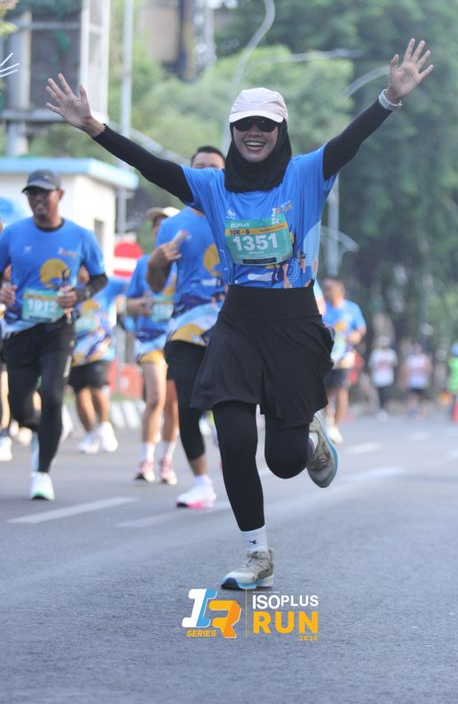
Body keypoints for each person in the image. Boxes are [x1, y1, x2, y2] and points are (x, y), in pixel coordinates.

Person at [46, 37, 433, 587]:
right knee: (233, 437)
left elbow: (351, 141)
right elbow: (152, 167)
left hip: (294, 325)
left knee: (283, 462)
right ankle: (257, 554)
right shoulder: (211, 187)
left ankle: (307, 433)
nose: (254, 133)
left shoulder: (307, 174)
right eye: (244, 125)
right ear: (232, 131)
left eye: (265, 126)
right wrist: (93, 127)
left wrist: (389, 99)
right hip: (236, 325)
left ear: (280, 130)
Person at [0, 169, 107, 500]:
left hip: (59, 330)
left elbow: (100, 278)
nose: (38, 200)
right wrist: (3, 289)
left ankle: (42, 473)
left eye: (44, 193)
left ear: (59, 195)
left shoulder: (80, 236)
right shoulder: (13, 233)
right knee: (19, 407)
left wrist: (79, 294)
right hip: (19, 329)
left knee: (53, 395)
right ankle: (46, 429)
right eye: (32, 194)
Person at [146, 145, 226, 509]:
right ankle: (201, 483)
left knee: (230, 405)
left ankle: (232, 450)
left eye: (214, 168)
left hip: (233, 327)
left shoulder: (240, 214)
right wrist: (156, 262)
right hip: (186, 329)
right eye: (199, 167)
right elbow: (157, 284)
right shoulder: (172, 226)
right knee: (190, 406)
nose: (206, 173)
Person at [126, 207, 179, 484]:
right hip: (150, 341)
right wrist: (140, 305)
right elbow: (129, 302)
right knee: (156, 397)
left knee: (173, 405)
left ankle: (166, 460)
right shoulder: (143, 263)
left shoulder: (186, 263)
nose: (160, 229)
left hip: (180, 340)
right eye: (156, 226)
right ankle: (145, 459)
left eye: (165, 224)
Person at [68, 267, 126, 454]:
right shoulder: (69, 286)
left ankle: (104, 426)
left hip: (100, 349)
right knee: (80, 392)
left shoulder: (106, 284)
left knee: (97, 385)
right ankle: (90, 434)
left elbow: (132, 285)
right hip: (75, 350)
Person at [321, 277, 366, 442]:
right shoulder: (322, 307)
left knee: (341, 388)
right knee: (323, 392)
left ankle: (335, 427)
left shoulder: (351, 308)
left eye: (329, 289)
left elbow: (361, 328)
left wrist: (356, 335)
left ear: (340, 291)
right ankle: (328, 417)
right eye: (324, 289)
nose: (326, 292)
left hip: (344, 356)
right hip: (324, 355)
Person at [368, 336, 398, 420]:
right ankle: (381, 409)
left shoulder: (391, 353)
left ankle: (385, 408)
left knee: (386, 393)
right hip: (378, 377)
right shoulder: (376, 353)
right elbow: (372, 365)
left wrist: (387, 362)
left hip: (388, 377)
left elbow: (395, 363)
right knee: (380, 393)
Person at [403, 341, 433, 417]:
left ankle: (422, 412)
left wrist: (424, 371)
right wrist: (406, 380)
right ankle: (413, 411)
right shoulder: (410, 359)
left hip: (422, 381)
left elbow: (428, 369)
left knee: (422, 398)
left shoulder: (424, 358)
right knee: (413, 397)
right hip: (413, 381)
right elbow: (406, 370)